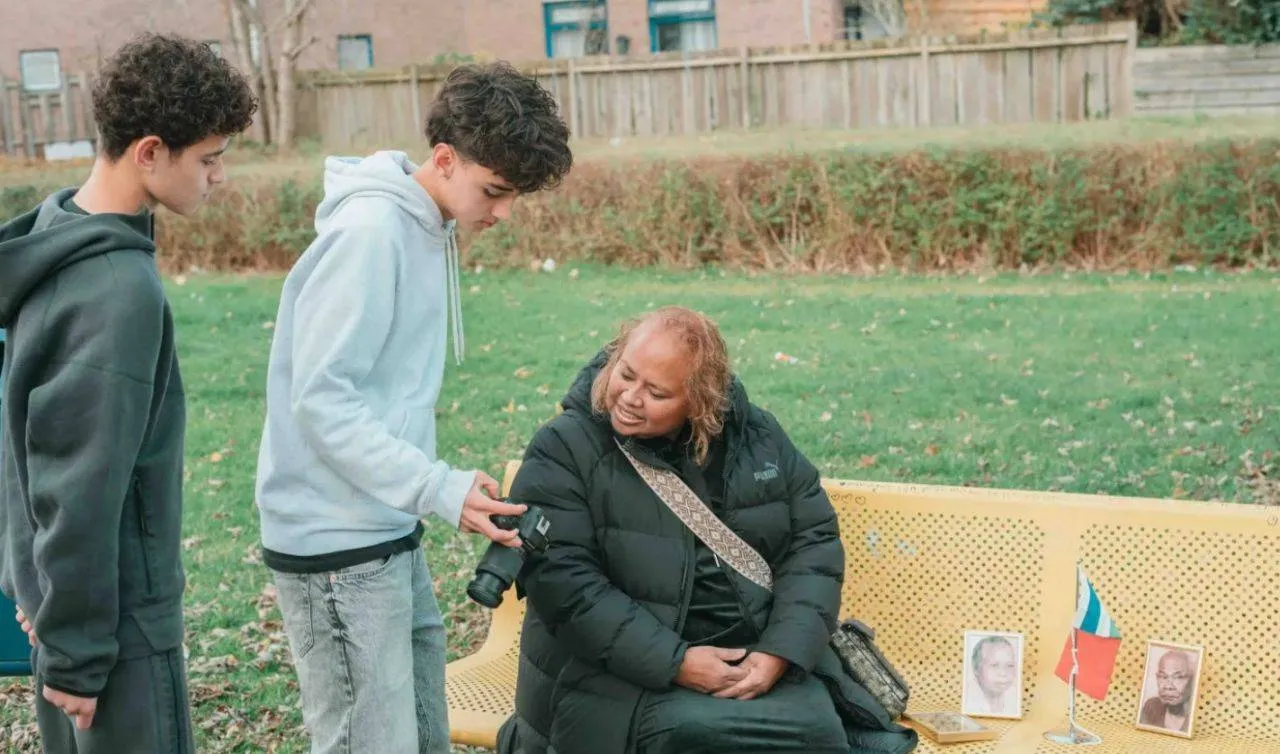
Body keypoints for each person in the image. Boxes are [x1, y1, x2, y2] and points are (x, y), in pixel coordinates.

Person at [253, 61, 573, 754]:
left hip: (385, 523)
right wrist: (435, 486)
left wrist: (436, 487)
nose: (503, 213)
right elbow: (321, 399)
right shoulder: (370, 233)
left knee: (424, 738)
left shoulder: (426, 226)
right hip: (334, 544)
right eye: (495, 191)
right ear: (445, 159)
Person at [496, 306, 918, 754]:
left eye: (657, 392)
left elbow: (813, 544)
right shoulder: (563, 446)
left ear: (699, 401)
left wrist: (779, 653)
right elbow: (565, 585)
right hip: (616, 672)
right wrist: (676, 662)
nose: (631, 397)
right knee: (697, 733)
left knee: (817, 731)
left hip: (748, 658)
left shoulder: (758, 437)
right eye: (626, 374)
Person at [0, 33, 256, 752]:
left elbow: (24, 442)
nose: (219, 177)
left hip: (61, 611)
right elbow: (80, 486)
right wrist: (77, 653)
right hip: (114, 630)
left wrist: (32, 587)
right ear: (149, 152)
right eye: (208, 158)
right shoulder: (118, 290)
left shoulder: (55, 239)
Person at [1139, 650, 1196, 733]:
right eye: (1163, 677)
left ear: (1193, 680)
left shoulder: (1197, 717)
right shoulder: (1151, 707)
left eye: (1178, 677)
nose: (1168, 686)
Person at [964, 635, 1018, 716]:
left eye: (1010, 665)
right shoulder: (968, 702)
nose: (1003, 673)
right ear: (976, 669)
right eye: (994, 665)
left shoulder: (1015, 700)